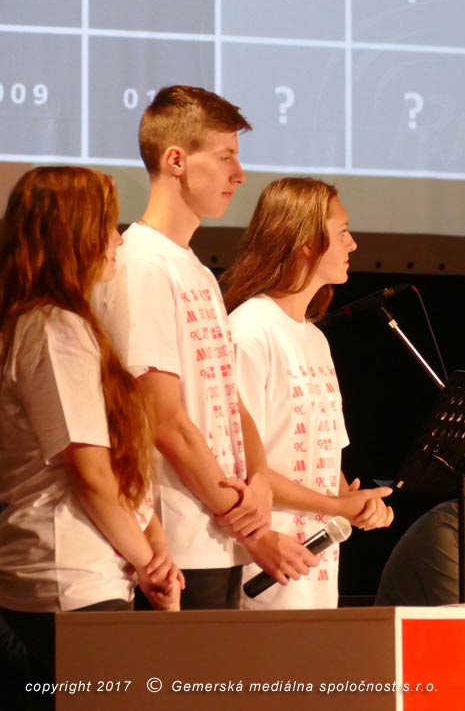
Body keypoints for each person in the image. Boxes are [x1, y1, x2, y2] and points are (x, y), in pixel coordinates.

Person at [95, 85, 316, 610]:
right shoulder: (141, 264)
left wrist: (259, 479)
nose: (239, 175)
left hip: (218, 538)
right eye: (225, 157)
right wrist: (252, 528)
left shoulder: (195, 269)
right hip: (176, 544)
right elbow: (162, 418)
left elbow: (228, 399)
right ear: (176, 161)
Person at [0, 167, 183, 706]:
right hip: (67, 577)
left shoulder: (63, 323)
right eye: (107, 226)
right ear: (73, 235)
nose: (117, 240)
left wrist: (153, 543)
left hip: (91, 574)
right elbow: (89, 472)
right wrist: (150, 563)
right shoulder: (51, 327)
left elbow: (116, 468)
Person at [220, 177, 394, 609]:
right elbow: (244, 467)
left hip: (315, 572)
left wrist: (355, 502)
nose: (352, 244)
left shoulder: (315, 339)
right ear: (305, 244)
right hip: (263, 567)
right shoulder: (250, 330)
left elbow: (325, 455)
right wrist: (338, 506)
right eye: (342, 232)